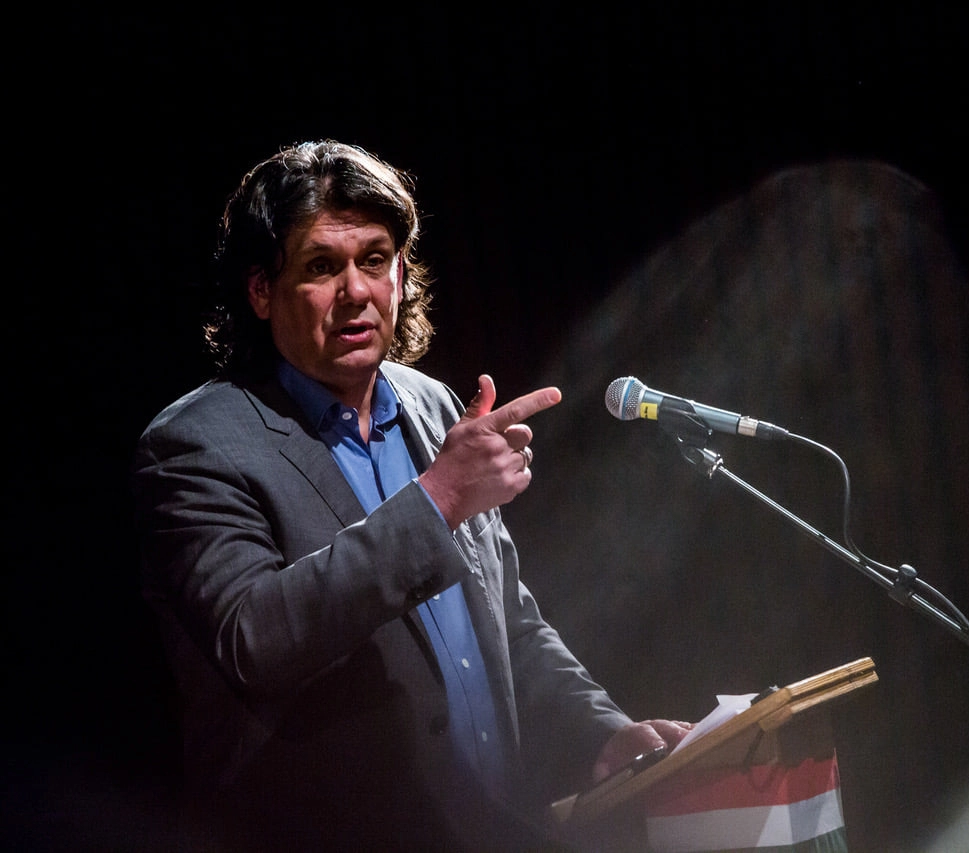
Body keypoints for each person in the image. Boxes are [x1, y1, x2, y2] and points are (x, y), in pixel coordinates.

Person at [132, 139, 690, 852]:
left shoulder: (432, 407)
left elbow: (508, 623)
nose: (356, 291)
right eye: (321, 266)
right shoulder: (195, 445)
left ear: (401, 272)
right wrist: (439, 497)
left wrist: (602, 734)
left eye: (374, 259)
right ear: (261, 290)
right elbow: (256, 638)